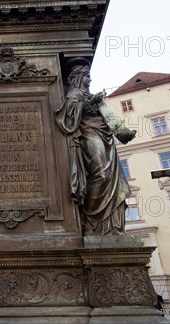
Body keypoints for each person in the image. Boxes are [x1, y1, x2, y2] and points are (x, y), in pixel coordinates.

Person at [54, 60, 136, 236]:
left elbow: (110, 118)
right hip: (89, 134)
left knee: (113, 179)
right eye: (87, 76)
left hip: (105, 137)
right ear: (78, 77)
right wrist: (90, 101)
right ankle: (91, 222)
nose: (90, 80)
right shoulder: (74, 93)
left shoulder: (91, 95)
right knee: (101, 174)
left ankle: (109, 226)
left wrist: (124, 132)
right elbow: (67, 116)